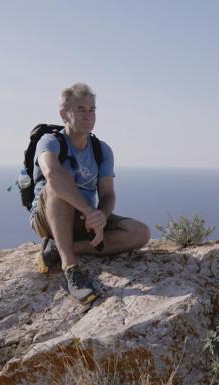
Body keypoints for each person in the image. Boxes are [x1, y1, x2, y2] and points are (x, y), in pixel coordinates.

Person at [30, 82, 150, 303]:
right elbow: (52, 174)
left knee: (140, 233)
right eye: (81, 110)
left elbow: (108, 194)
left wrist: (101, 216)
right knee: (59, 188)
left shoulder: (101, 150)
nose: (88, 116)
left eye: (92, 110)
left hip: (85, 219)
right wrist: (88, 210)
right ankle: (71, 267)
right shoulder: (50, 141)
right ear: (64, 114)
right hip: (48, 216)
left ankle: (62, 247)